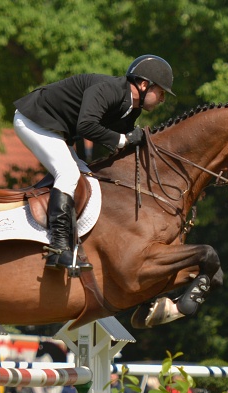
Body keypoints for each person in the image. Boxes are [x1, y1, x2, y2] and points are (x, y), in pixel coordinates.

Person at [13, 55, 174, 271]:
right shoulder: (109, 90)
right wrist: (123, 139)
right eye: (161, 92)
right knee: (68, 174)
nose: (162, 98)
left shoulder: (131, 108)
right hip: (33, 120)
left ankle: (72, 244)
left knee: (88, 182)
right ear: (144, 84)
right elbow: (86, 126)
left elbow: (118, 140)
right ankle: (58, 247)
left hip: (55, 130)